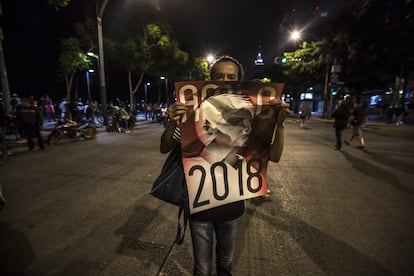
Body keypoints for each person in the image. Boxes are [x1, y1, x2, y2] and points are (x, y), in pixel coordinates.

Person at [160, 55, 290, 276]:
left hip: (232, 208)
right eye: (219, 76)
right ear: (210, 80)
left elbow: (274, 157)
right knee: (202, 268)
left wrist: (280, 126)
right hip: (199, 206)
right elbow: (165, 147)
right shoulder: (193, 113)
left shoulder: (249, 116)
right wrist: (173, 121)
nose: (225, 80)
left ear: (239, 81)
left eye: (231, 76)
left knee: (225, 263)